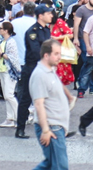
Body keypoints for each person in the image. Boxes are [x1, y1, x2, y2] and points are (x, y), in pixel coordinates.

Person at [30, 38, 70, 170]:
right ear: (46, 56)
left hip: (57, 126)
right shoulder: (40, 75)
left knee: (50, 163)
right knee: (60, 166)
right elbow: (39, 104)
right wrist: (46, 130)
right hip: (52, 127)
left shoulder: (50, 70)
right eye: (56, 54)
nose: (60, 57)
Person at [17, 4, 53, 139]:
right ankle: (20, 128)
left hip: (45, 68)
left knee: (48, 99)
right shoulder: (32, 31)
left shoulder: (46, 30)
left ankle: (51, 128)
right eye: (48, 13)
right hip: (33, 68)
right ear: (40, 15)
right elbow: (36, 51)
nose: (51, 15)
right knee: (26, 98)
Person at [0, 22, 21, 129]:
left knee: (9, 95)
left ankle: (18, 117)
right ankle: (10, 118)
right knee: (6, 95)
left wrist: (2, 54)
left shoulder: (11, 42)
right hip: (2, 69)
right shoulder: (3, 41)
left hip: (9, 71)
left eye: (1, 28)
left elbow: (12, 57)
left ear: (6, 30)